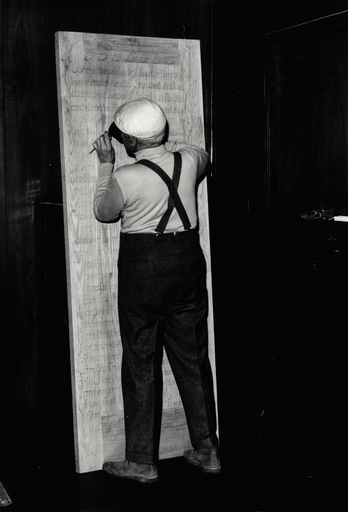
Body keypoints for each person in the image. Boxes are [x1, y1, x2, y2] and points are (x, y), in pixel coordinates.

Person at [92, 98, 220, 484]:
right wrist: (167, 144)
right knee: (192, 357)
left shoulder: (126, 177)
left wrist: (105, 165)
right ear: (163, 133)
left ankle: (141, 461)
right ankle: (207, 449)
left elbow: (103, 211)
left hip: (143, 267)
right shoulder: (192, 161)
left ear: (129, 141)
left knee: (140, 360)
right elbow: (199, 153)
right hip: (187, 262)